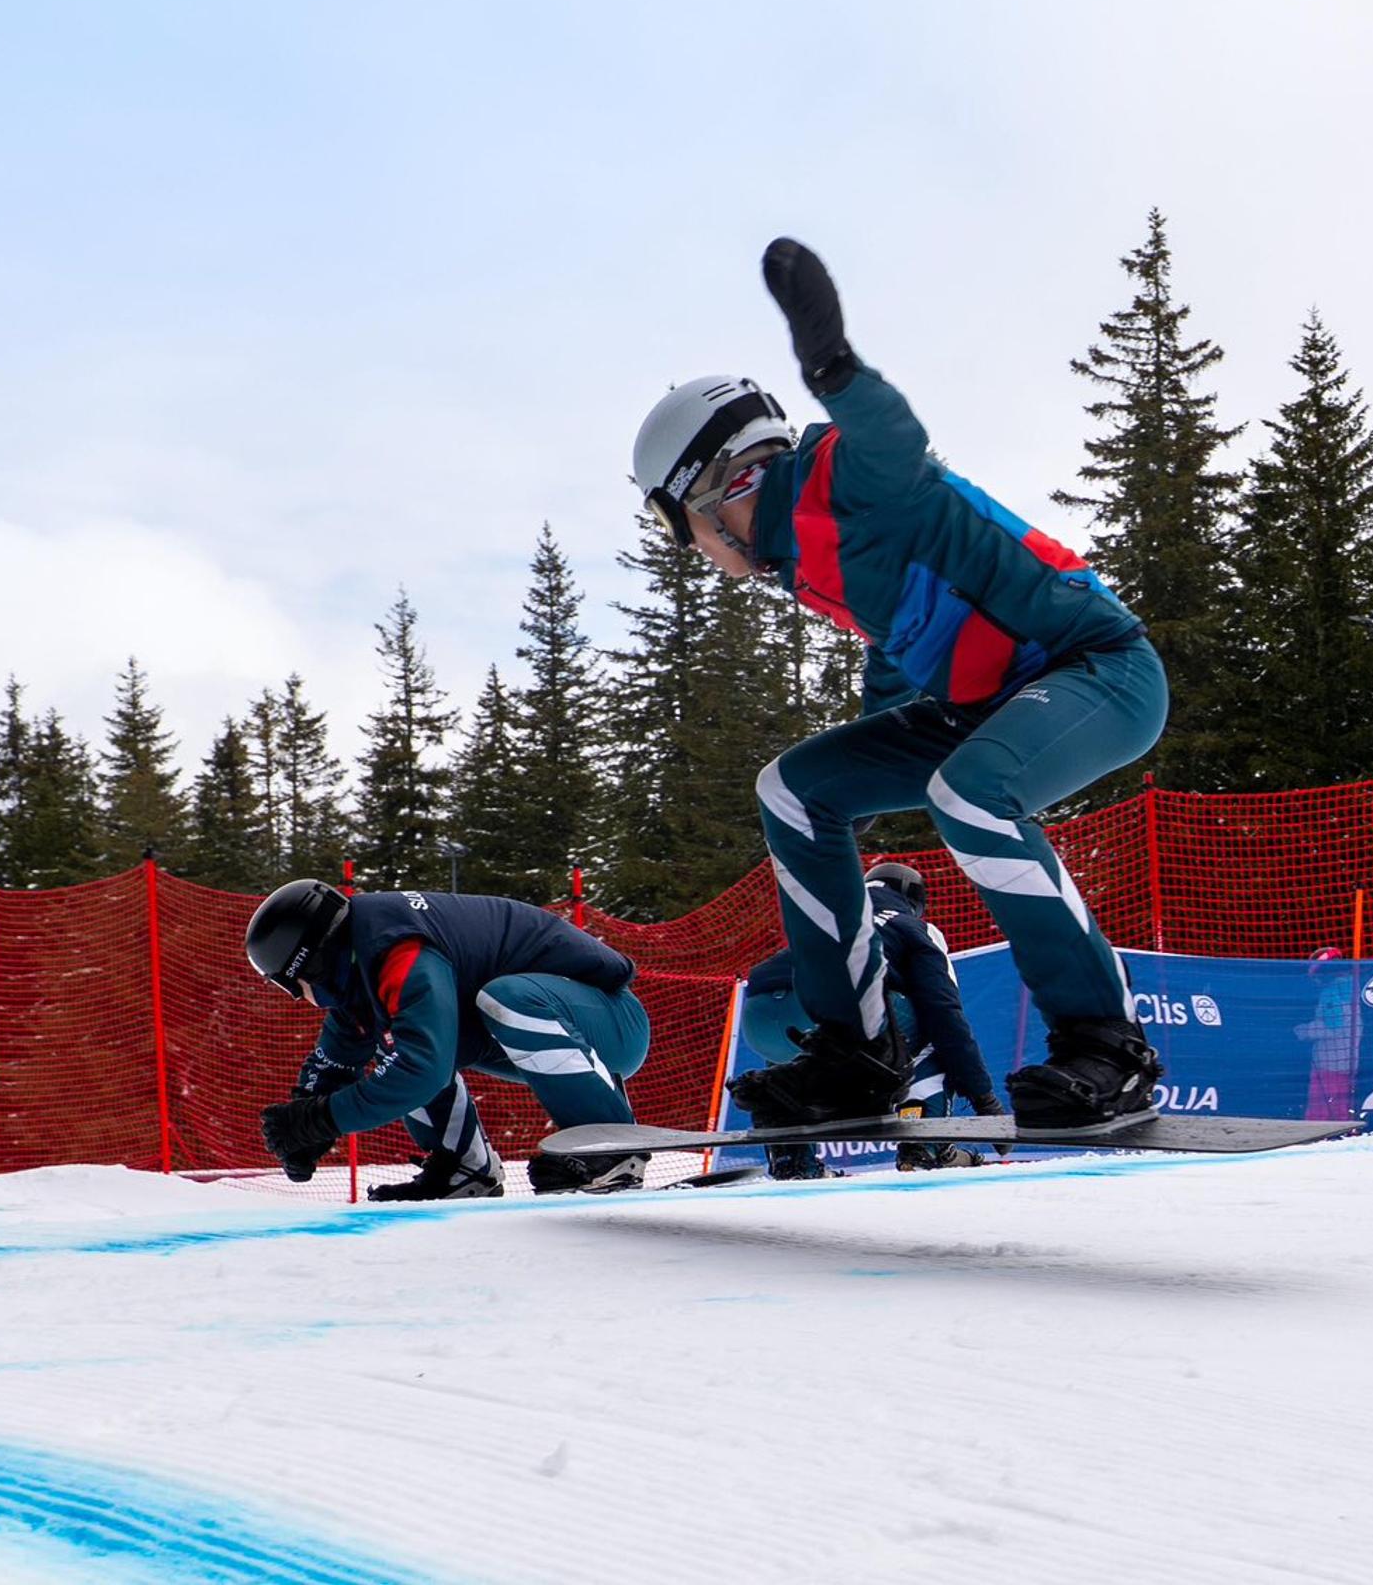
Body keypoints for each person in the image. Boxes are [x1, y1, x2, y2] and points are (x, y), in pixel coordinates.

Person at [629, 237, 1170, 1133]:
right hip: (981, 706)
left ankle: (1106, 1042)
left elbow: (893, 439)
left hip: (1098, 670)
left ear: (718, 489)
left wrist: (832, 366)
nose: (691, 548)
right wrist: (871, 746)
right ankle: (857, 1051)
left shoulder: (843, 479)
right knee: (794, 792)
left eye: (680, 524)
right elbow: (896, 638)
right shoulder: (801, 554)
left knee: (971, 795)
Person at [248, 878, 654, 1198]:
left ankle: (610, 1146)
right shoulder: (362, 964)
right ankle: (464, 1169)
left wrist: (321, 1119)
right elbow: (338, 1057)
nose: (296, 996)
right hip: (552, 1017)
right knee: (402, 1040)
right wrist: (306, 1120)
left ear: (310, 964)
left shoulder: (400, 950)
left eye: (289, 984)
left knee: (489, 1008)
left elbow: (420, 1071)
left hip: (612, 1022)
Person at [740, 860, 1006, 1177]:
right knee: (935, 1037)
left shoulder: (833, 915)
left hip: (758, 1014)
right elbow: (944, 1013)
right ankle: (923, 1145)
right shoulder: (914, 926)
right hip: (841, 1006)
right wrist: (983, 1097)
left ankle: (793, 1160)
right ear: (914, 900)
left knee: (790, 1067)